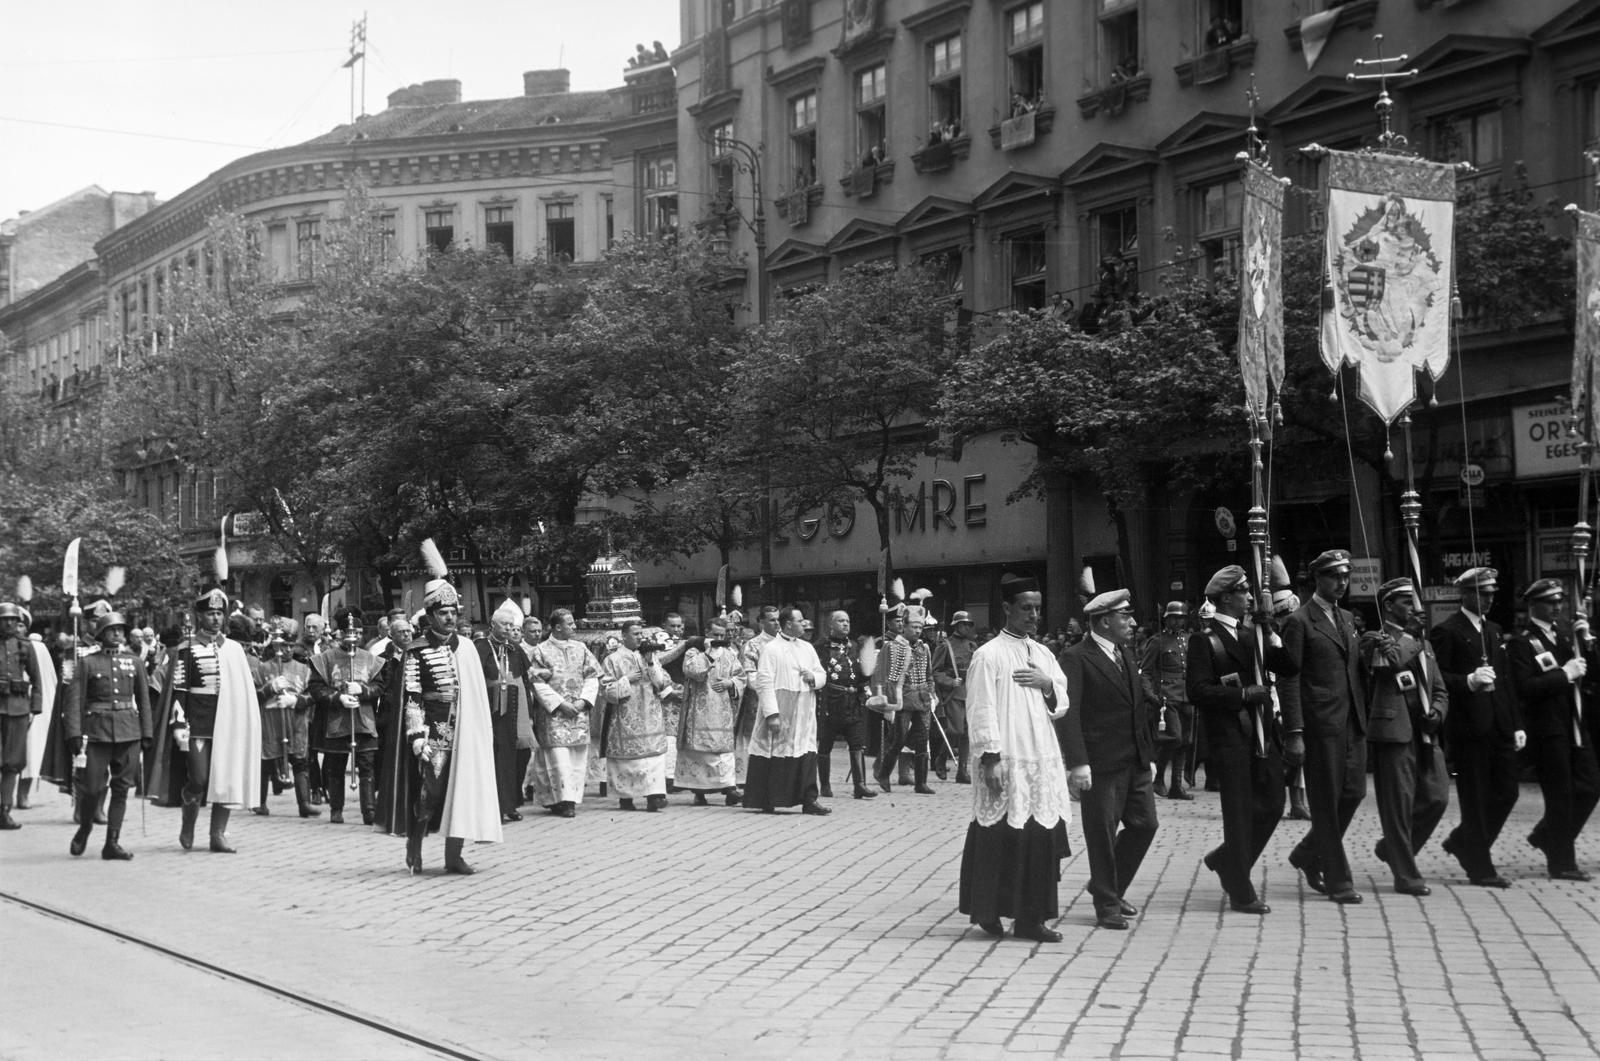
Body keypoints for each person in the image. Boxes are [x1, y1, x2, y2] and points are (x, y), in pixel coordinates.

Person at [958, 574, 1073, 942]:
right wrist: (991, 757)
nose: (1034, 616)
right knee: (999, 835)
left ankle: (1030, 918)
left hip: (1040, 757)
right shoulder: (987, 655)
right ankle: (988, 913)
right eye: (1026, 608)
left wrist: (1048, 684)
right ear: (1007, 608)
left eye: (1038, 608)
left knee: (1039, 836)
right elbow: (980, 709)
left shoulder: (1043, 654)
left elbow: (1062, 702)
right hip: (1007, 757)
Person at [1187, 566, 1298, 915]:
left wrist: (1272, 629)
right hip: (1230, 737)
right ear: (1225, 598)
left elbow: (1290, 664)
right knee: (1238, 813)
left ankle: (1226, 859)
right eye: (1244, 592)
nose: (1250, 598)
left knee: (1273, 803)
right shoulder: (1204, 640)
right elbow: (1198, 691)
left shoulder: (1255, 634)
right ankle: (1239, 887)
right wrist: (1242, 695)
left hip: (1261, 733)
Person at [1057, 589, 1160, 931]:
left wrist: (1148, 755)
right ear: (1104, 621)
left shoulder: (1124, 653)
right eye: (1124, 617)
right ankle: (1107, 903)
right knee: (1101, 832)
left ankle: (1110, 886)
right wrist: (1078, 763)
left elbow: (1136, 708)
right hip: (1100, 762)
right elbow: (1068, 715)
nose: (1131, 622)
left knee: (1145, 825)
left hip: (1135, 760)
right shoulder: (1076, 657)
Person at [397, 568, 502, 875]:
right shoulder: (416, 651)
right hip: (434, 731)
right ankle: (414, 846)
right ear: (430, 615)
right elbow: (412, 695)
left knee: (464, 791)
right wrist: (416, 735)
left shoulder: (467, 647)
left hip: (465, 728)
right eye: (443, 613)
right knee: (433, 792)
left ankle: (453, 856)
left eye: (453, 612)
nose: (449, 618)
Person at [1279, 549, 1368, 905]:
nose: (1342, 583)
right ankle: (1338, 880)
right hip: (1320, 725)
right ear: (1318, 579)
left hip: (1352, 721)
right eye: (1334, 576)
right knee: (1327, 803)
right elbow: (1289, 678)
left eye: (1345, 577)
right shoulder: (1300, 621)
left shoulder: (1347, 618)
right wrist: (1295, 732)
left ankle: (1306, 852)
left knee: (1354, 793)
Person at [1430, 567, 1525, 888]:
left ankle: (1463, 841)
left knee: (1508, 792)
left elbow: (1506, 682)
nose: (1488, 598)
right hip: (1469, 727)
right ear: (1466, 594)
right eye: (1482, 593)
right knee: (1475, 798)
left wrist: (1516, 724)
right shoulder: (1448, 630)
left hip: (1498, 724)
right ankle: (1480, 866)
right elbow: (1438, 679)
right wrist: (1468, 682)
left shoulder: (1495, 630)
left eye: (1492, 593)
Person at [150, 589, 261, 853]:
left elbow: (242, 690)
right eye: (210, 613)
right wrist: (178, 726)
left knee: (226, 778)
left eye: (219, 613)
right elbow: (178, 691)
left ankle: (217, 835)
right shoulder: (185, 649)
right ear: (200, 616)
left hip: (228, 724)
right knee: (198, 778)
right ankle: (188, 825)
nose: (215, 619)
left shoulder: (234, 650)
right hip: (197, 725)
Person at [1361, 577, 1450, 896]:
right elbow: (1392, 661)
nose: (1415, 609)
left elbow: (1440, 689)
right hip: (1394, 732)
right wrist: (1413, 634)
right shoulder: (1374, 638)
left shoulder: (1424, 644)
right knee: (1398, 806)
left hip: (1425, 732)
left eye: (1416, 603)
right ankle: (1406, 873)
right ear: (1388, 605)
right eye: (1406, 603)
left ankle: (1392, 848)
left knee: (1438, 797)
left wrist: (1437, 713)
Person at [1507, 578, 1598, 881]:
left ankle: (1547, 835)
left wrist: (1587, 642)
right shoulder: (1522, 642)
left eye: (1559, 602)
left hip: (1574, 723)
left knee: (1590, 786)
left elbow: (1590, 672)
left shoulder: (1565, 636)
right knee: (1560, 796)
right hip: (1548, 730)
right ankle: (1562, 863)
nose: (1557, 607)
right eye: (1550, 602)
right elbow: (1524, 688)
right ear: (1533, 605)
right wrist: (1564, 675)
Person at [63, 611, 153, 859]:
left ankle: (112, 842)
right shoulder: (88, 663)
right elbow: (74, 701)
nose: (117, 634)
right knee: (91, 788)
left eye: (121, 630)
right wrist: (73, 733)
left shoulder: (133, 662)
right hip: (96, 734)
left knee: (122, 789)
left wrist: (146, 733)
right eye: (112, 630)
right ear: (101, 635)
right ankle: (85, 826)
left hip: (128, 732)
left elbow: (144, 699)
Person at [745, 606, 830, 816]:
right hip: (781, 708)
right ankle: (770, 799)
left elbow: (821, 673)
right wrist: (772, 714)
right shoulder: (772, 648)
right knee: (775, 752)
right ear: (788, 624)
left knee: (807, 751)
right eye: (800, 621)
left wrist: (815, 678)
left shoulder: (807, 647)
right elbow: (764, 682)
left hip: (803, 709)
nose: (804, 624)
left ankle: (809, 799)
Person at [308, 608, 384, 826]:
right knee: (336, 765)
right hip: (337, 720)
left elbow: (380, 686)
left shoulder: (371, 659)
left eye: (359, 633)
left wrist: (363, 690)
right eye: (351, 632)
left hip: (364, 719)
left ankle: (369, 809)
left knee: (367, 764)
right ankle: (336, 808)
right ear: (341, 633)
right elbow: (315, 688)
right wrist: (337, 697)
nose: (356, 637)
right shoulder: (325, 659)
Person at [526, 608, 600, 818]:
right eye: (570, 624)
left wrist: (583, 701)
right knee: (558, 760)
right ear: (558, 627)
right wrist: (559, 704)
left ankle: (571, 798)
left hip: (578, 711)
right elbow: (536, 682)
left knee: (576, 760)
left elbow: (592, 676)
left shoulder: (582, 648)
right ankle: (562, 801)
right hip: (554, 715)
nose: (575, 627)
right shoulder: (540, 651)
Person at [600, 621, 672, 812]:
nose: (640, 637)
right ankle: (626, 797)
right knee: (629, 760)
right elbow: (606, 691)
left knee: (653, 759)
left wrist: (649, 662)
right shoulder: (613, 660)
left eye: (641, 634)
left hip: (650, 716)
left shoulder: (650, 657)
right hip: (625, 717)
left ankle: (654, 797)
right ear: (624, 636)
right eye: (635, 634)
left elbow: (662, 683)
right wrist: (626, 680)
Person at [677, 616, 745, 805]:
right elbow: (693, 672)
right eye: (715, 634)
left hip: (722, 710)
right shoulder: (693, 651)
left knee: (722, 753)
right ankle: (700, 792)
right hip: (699, 710)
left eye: (722, 635)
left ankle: (730, 789)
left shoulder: (730, 653)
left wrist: (730, 682)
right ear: (707, 633)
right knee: (701, 753)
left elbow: (741, 676)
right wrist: (707, 653)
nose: (718, 638)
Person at [477, 599, 532, 824]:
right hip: (490, 711)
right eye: (504, 625)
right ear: (492, 625)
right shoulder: (480, 647)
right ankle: (495, 806)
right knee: (496, 758)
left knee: (519, 756)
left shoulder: (516, 649)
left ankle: (511, 803)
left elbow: (525, 681)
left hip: (514, 710)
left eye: (512, 625)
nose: (509, 629)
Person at [814, 610, 875, 800]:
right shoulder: (821, 647)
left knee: (857, 744)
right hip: (830, 703)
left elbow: (864, 673)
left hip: (853, 702)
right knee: (825, 745)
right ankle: (825, 785)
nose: (845, 624)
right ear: (831, 624)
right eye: (841, 621)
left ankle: (860, 786)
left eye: (847, 621)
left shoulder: (855, 646)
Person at [1143, 602, 1194, 801]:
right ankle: (1159, 777)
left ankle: (1176, 786)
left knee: (1185, 742)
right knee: (1175, 737)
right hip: (1167, 697)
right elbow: (1145, 672)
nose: (1177, 621)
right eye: (1173, 617)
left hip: (1187, 697)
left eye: (1180, 618)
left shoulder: (1188, 640)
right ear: (1166, 619)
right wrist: (1150, 694)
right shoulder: (1157, 642)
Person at [0, 601, 44, 829]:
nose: (9, 623)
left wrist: (35, 708)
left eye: (12, 620)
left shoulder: (25, 646)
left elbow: (37, 680)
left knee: (13, 762)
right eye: (4, 619)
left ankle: (4, 810)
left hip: (17, 708)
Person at [372, 613, 414, 834]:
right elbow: (380, 685)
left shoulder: (418, 653)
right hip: (389, 714)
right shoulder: (383, 657)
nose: (407, 635)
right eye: (401, 632)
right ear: (391, 635)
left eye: (409, 631)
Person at [932, 611, 977, 785]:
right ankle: (941, 758)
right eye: (964, 624)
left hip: (970, 691)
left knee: (967, 733)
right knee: (955, 730)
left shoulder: (973, 646)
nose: (967, 627)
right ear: (956, 625)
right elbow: (935, 672)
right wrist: (950, 681)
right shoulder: (945, 645)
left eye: (969, 624)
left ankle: (962, 771)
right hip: (953, 693)